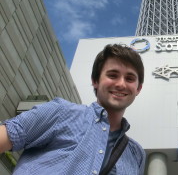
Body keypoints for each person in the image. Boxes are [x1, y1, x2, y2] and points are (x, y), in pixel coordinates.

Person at [0, 44, 145, 174]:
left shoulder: (136, 154)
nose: (121, 84)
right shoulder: (60, 112)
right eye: (113, 75)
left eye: (130, 78)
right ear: (95, 81)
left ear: (138, 88)